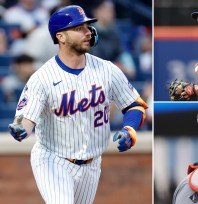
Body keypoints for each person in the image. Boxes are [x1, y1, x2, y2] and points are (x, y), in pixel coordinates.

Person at [7, 5, 148, 204]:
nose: (87, 32)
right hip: (53, 159)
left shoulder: (107, 69)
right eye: (78, 28)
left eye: (87, 27)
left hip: (92, 164)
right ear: (61, 37)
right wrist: (21, 127)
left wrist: (130, 128)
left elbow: (135, 104)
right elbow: (25, 118)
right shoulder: (42, 78)